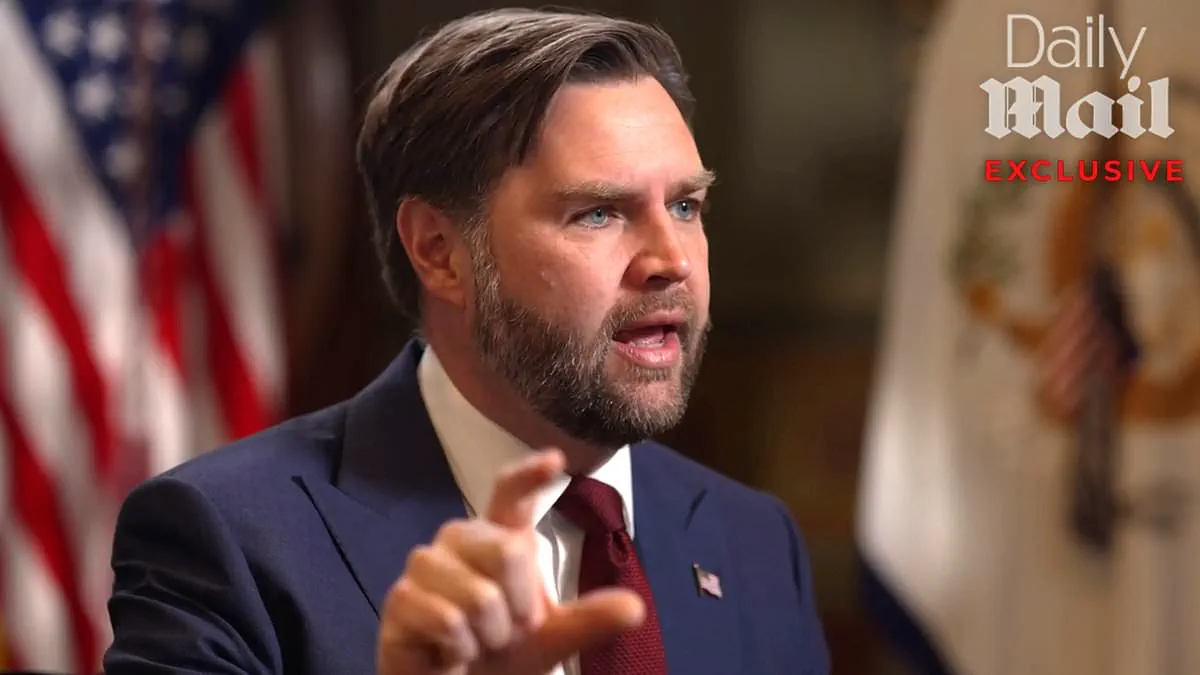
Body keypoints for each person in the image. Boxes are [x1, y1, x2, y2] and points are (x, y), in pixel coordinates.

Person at [103, 8, 830, 675]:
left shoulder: (757, 543)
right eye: (599, 213)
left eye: (686, 205)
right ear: (439, 252)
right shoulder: (226, 541)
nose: (672, 260)